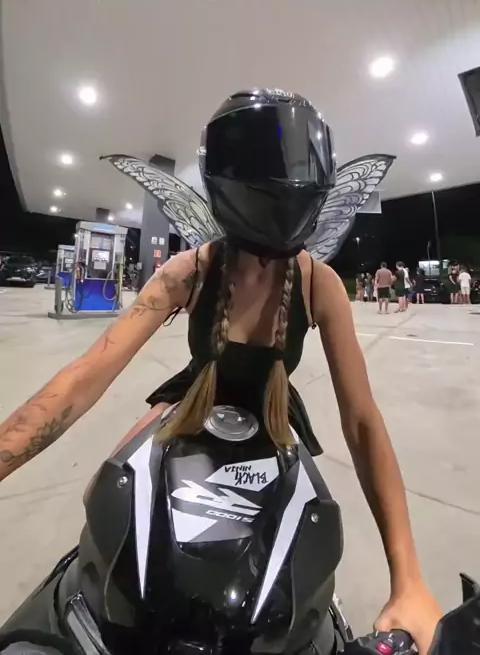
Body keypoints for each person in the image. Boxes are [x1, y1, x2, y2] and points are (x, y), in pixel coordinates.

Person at [0, 90, 440, 655]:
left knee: (301, 553)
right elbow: (87, 375)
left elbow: (362, 421)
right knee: (104, 496)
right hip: (188, 402)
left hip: (272, 417)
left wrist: (409, 578)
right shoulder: (192, 270)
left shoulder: (317, 284)